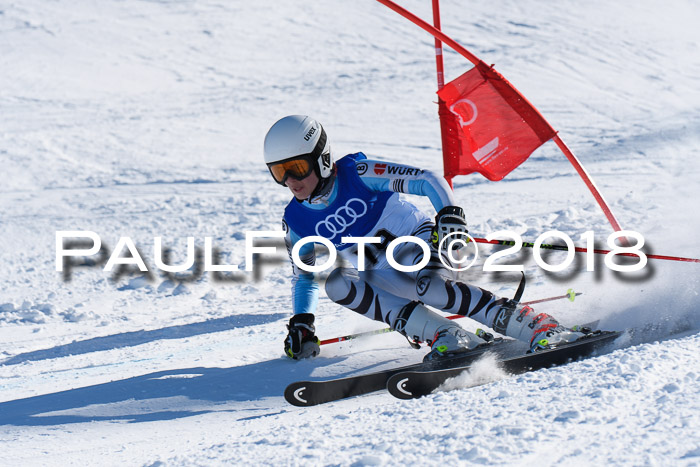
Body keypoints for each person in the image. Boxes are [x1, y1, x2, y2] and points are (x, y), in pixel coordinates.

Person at [264, 115, 588, 360]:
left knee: (425, 284)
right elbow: (304, 277)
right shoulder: (296, 221)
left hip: (423, 244)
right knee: (336, 283)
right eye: (280, 172)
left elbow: (426, 180)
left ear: (321, 158)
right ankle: (446, 334)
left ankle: (536, 325)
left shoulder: (358, 174)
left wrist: (449, 216)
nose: (291, 180)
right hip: (382, 273)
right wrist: (302, 321)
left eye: (296, 167)